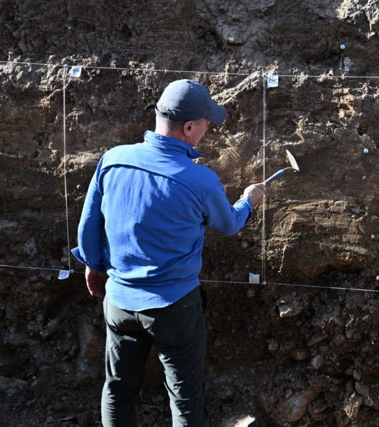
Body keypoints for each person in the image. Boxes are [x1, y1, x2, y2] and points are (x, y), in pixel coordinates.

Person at [72, 79, 265, 426]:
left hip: (118, 302)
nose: (206, 132)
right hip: (173, 307)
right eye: (206, 125)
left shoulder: (113, 160)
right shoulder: (199, 179)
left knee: (118, 388)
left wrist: (95, 266)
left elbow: (89, 225)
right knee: (185, 397)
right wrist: (249, 201)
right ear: (189, 127)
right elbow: (229, 224)